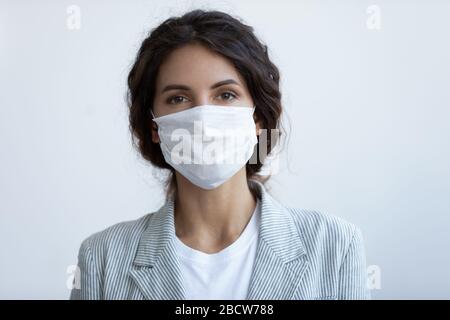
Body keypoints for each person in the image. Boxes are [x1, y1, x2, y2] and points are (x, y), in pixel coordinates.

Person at [70, 9, 370, 300]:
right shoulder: (102, 258)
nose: (203, 119)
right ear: (154, 127)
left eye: (225, 95)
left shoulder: (334, 245)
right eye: (178, 98)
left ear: (258, 120)